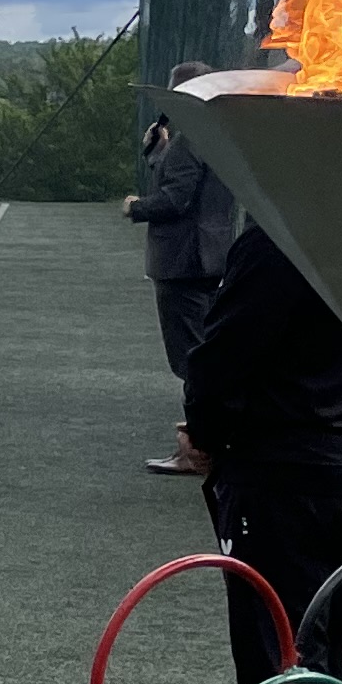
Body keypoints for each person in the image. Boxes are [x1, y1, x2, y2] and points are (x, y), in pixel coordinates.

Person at [178, 220, 342, 684]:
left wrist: (204, 430)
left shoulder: (284, 234)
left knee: (283, 665)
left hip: (284, 467)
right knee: (329, 660)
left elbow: (224, 354)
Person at [126, 68, 240, 465]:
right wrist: (159, 154)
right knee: (205, 350)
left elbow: (175, 200)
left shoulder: (189, 140)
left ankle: (199, 446)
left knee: (191, 357)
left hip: (183, 260)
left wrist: (135, 207)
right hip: (212, 253)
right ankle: (207, 437)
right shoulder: (219, 135)